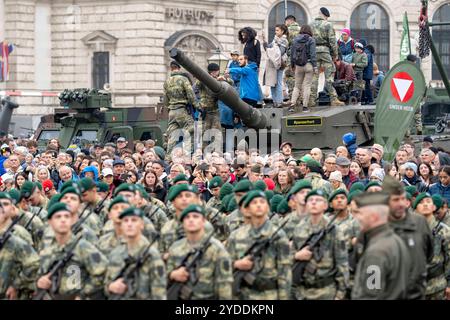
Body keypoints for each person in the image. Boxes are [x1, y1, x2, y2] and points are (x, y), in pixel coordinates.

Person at [227, 190, 291, 299]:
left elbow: (284, 271)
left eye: (262, 202)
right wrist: (236, 264)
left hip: (269, 295)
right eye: (254, 202)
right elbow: (224, 265)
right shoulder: (236, 236)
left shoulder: (277, 235)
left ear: (268, 208)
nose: (258, 205)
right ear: (246, 210)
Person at [36, 203, 108, 300]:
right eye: (58, 217)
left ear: (72, 221)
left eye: (67, 216)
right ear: (50, 222)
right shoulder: (47, 250)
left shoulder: (82, 247)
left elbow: (103, 272)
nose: (63, 220)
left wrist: (83, 294)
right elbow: (38, 275)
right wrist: (39, 282)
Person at [351, 192, 411, 299]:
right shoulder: (395, 239)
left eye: (361, 214)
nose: (357, 218)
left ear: (374, 217)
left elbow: (370, 295)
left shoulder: (376, 252)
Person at [382, 176, 433, 299]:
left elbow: (428, 253)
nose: (400, 203)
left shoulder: (419, 222)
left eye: (402, 199)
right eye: (395, 200)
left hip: (414, 290)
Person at [292, 189, 349, 300]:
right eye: (310, 200)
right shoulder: (299, 228)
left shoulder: (334, 230)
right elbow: (286, 258)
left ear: (325, 205)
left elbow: (342, 263)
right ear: (306, 205)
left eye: (318, 200)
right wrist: (297, 256)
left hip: (327, 292)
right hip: (301, 292)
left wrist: (339, 295)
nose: (313, 202)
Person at [167, 204, 232, 299]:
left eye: (195, 216)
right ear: (182, 222)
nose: (191, 220)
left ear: (204, 221)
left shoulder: (216, 249)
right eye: (187, 217)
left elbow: (224, 287)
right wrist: (172, 275)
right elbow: (163, 278)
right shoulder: (175, 248)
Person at [105, 207, 167, 300]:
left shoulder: (151, 255)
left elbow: (159, 293)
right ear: (121, 225)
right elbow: (107, 284)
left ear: (142, 225)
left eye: (134, 220)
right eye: (126, 221)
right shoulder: (115, 253)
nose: (129, 224)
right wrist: (110, 287)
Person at [0, 192, 40, 300]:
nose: (2, 208)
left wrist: (16, 285)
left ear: (12, 207)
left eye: (5, 204)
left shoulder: (19, 233)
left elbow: (34, 263)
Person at [412, 193, 450, 300]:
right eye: (421, 202)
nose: (425, 204)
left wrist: (449, 285)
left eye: (428, 201)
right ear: (415, 209)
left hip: (438, 286)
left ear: (433, 207)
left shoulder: (443, 230)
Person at [309, 7, 344, 107]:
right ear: (325, 15)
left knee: (314, 77)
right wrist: (335, 55)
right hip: (325, 52)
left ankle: (311, 100)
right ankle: (334, 98)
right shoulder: (328, 24)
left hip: (314, 52)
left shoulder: (310, 24)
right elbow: (332, 41)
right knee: (329, 76)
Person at [163, 61, 196, 161]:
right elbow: (191, 95)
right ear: (179, 68)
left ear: (171, 68)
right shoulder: (183, 79)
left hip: (172, 112)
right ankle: (187, 157)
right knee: (190, 131)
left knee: (172, 137)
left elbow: (165, 99)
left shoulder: (167, 81)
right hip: (182, 110)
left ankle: (168, 159)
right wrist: (197, 106)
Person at [288, 24, 317, 112]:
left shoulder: (295, 39)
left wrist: (292, 65)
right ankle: (305, 107)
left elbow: (292, 53)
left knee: (297, 86)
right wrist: (315, 66)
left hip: (298, 65)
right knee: (307, 86)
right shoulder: (311, 40)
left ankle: (292, 105)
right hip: (308, 65)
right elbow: (313, 55)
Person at [262, 24, 289, 108]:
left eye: (277, 30)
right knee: (272, 83)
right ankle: (274, 101)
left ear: (282, 31)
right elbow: (268, 48)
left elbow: (280, 52)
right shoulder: (275, 39)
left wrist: (270, 49)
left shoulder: (284, 41)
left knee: (278, 82)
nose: (275, 32)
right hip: (272, 64)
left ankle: (279, 101)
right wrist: (264, 42)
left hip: (279, 64)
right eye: (275, 30)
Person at [360, 40, 374, 105]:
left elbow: (365, 62)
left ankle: (370, 100)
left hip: (366, 73)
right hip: (367, 73)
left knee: (366, 86)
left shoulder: (366, 52)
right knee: (365, 86)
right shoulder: (367, 52)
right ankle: (365, 100)